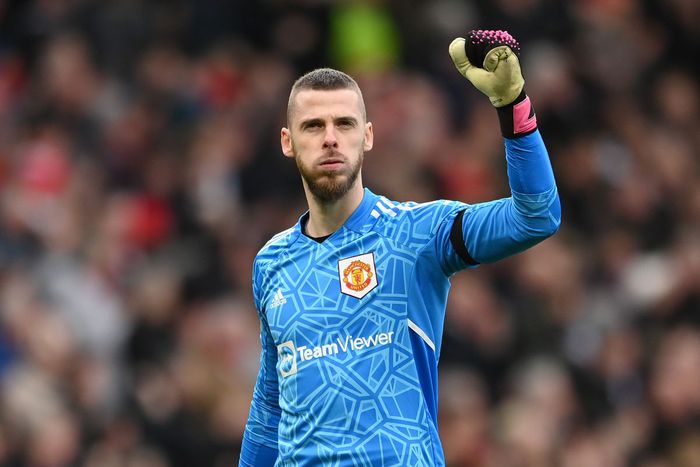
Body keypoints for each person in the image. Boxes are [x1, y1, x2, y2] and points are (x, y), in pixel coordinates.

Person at [239, 30, 561, 466]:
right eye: (313, 126)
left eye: (344, 124)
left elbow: (536, 216)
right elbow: (269, 411)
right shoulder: (272, 262)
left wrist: (513, 106)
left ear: (367, 136)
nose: (330, 138)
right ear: (287, 141)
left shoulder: (416, 233)